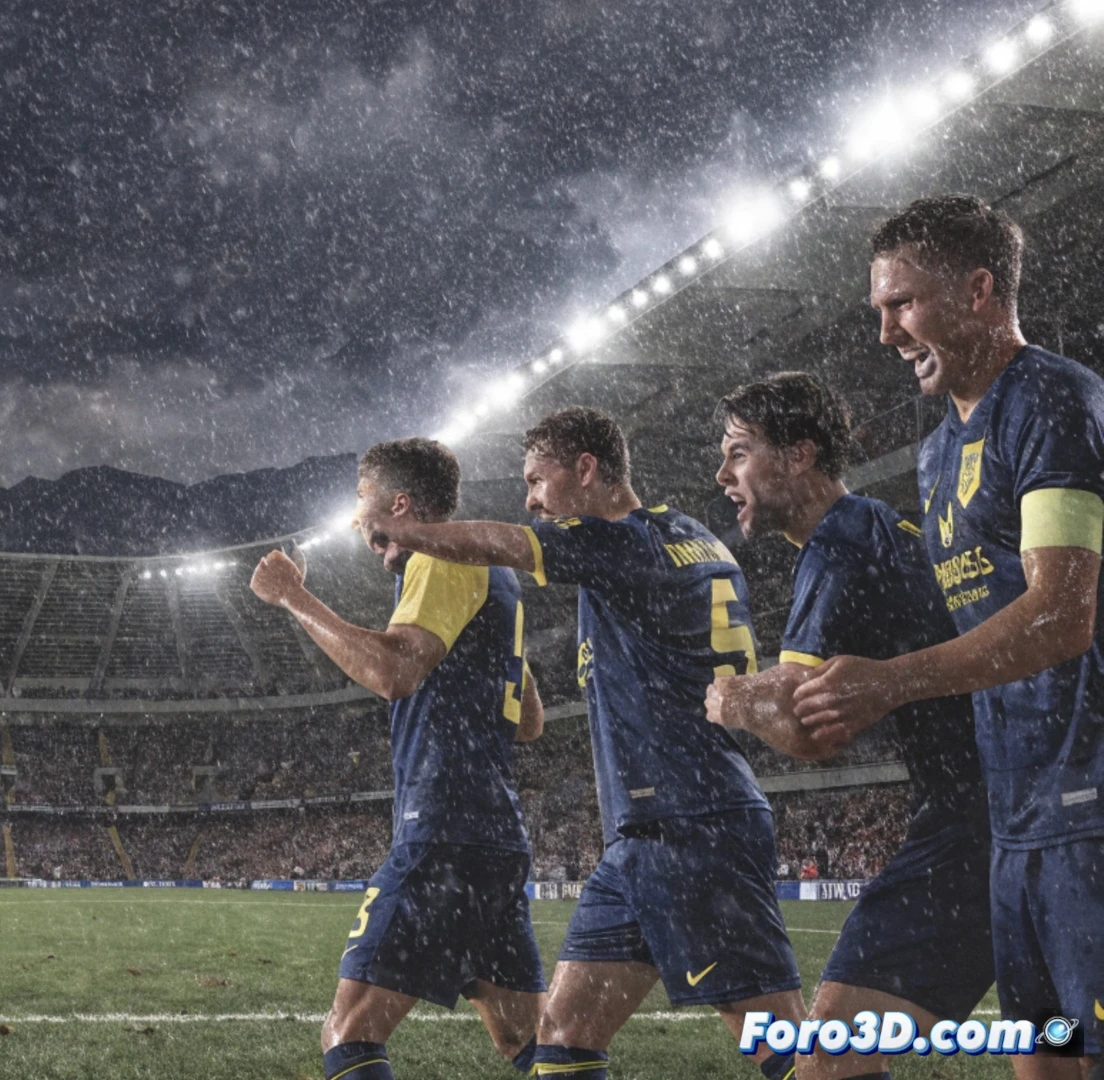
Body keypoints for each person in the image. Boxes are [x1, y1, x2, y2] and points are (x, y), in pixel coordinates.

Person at [358, 407, 804, 1080]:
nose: (533, 501)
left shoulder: (619, 542)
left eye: (538, 480)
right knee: (562, 1039)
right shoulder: (689, 535)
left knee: (787, 1048)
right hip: (646, 836)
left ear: (587, 470)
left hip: (689, 824)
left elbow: (505, 544)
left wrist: (405, 529)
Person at [795, 195, 1104, 1076]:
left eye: (902, 304)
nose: (888, 332)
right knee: (1047, 1056)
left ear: (978, 291)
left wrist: (889, 681)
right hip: (1013, 820)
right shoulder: (936, 456)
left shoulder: (1051, 399)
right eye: (879, 311)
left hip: (1090, 806)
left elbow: (1060, 614)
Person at [705, 372, 991, 1080]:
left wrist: (730, 700)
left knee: (831, 1053)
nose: (722, 474)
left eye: (739, 452)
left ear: (800, 455)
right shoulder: (875, 525)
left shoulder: (837, 544)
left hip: (975, 820)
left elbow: (808, 727)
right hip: (1000, 801)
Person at [249, 437, 547, 1080]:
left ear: (400, 504)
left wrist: (293, 598)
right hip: (494, 837)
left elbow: (393, 672)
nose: (358, 519)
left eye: (363, 502)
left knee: (349, 1032)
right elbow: (529, 722)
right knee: (533, 1045)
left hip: (443, 830)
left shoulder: (442, 556)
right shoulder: (497, 572)